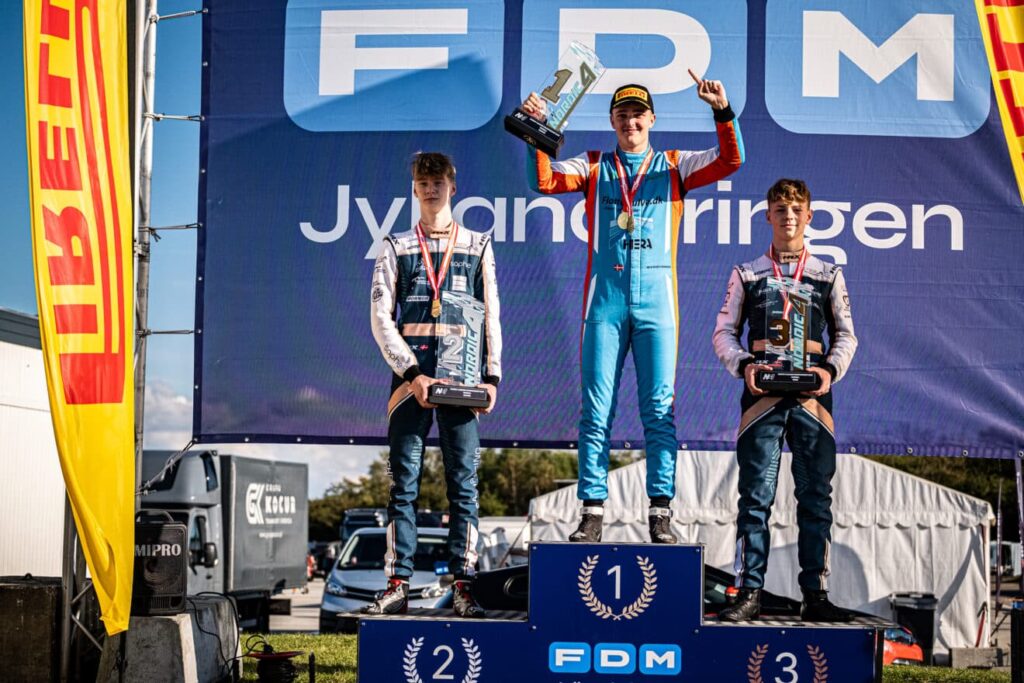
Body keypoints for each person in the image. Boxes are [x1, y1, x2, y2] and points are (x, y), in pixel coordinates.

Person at [522, 72, 744, 543]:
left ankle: (660, 513)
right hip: (604, 306)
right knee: (595, 411)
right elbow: (544, 179)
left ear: (652, 120)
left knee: (659, 412)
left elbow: (731, 159)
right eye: (622, 114)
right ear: (611, 121)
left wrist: (721, 111)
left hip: (657, 308)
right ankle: (592, 512)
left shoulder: (675, 165)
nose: (631, 122)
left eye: (638, 114)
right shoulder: (594, 165)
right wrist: (537, 130)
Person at [712, 178, 857, 622]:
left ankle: (816, 596)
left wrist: (828, 370)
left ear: (809, 216)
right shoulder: (747, 273)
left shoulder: (828, 274)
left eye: (796, 210)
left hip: (813, 400)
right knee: (755, 498)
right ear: (768, 216)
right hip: (762, 399)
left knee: (816, 499)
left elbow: (847, 336)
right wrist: (744, 365)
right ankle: (748, 592)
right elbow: (723, 333)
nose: (788, 217)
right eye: (780, 209)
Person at [366, 152, 502, 617]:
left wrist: (492, 376)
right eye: (422, 182)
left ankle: (463, 585)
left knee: (464, 485)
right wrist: (411, 372)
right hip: (412, 382)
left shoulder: (478, 244)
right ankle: (398, 584)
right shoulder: (396, 245)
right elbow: (380, 318)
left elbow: (492, 313)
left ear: (452, 186)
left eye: (438, 181)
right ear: (414, 189)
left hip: (463, 378)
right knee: (402, 485)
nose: (430, 189)